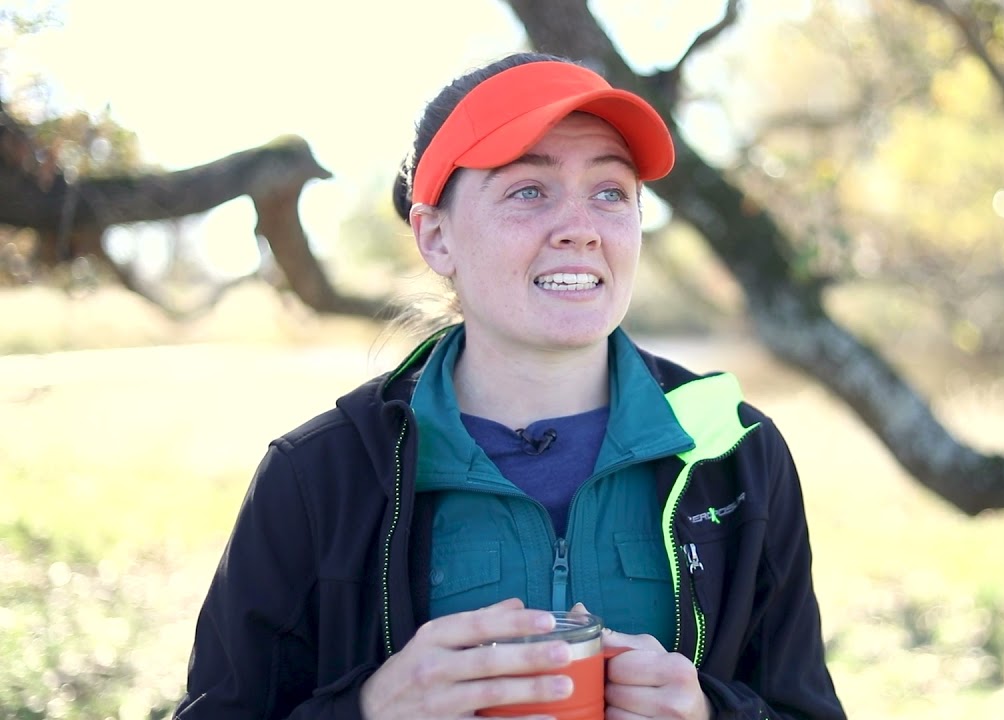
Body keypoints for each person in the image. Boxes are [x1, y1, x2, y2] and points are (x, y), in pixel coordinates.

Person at [174, 52, 846, 720]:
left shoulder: (737, 453)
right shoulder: (317, 475)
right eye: (529, 190)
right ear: (436, 238)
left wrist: (713, 715)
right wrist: (369, 711)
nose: (581, 228)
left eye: (611, 192)